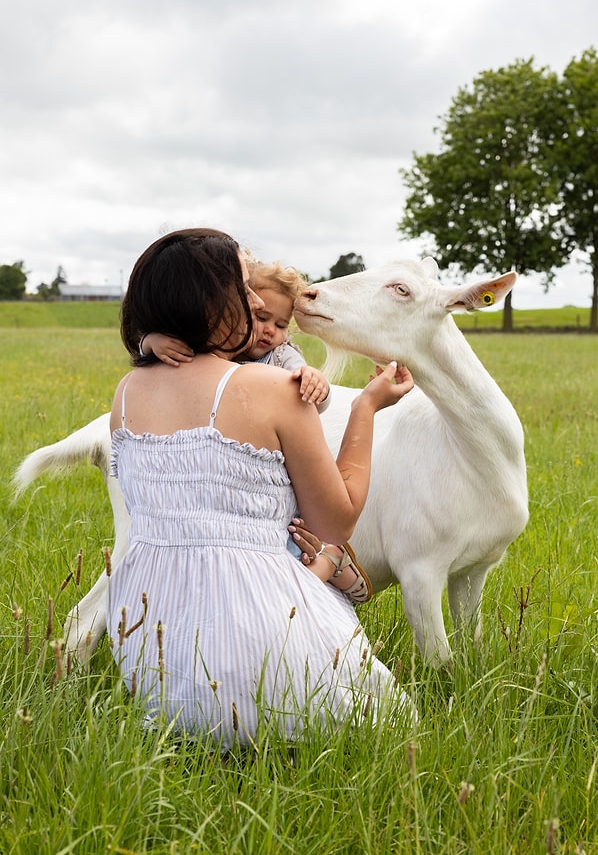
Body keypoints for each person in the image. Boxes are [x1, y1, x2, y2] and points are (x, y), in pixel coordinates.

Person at [108, 227, 414, 748]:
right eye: (242, 286)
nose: (255, 300)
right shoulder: (272, 389)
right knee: (391, 722)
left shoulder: (126, 392)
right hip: (266, 642)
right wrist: (365, 406)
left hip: (158, 658)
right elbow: (335, 522)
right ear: (204, 298)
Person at [139, 258, 372, 603]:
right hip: (229, 473)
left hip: (276, 469)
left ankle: (331, 561)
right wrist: (150, 342)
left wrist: (313, 381)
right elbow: (164, 357)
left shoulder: (281, 356)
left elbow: (312, 395)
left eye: (281, 324)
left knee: (291, 536)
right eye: (261, 318)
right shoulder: (216, 351)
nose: (269, 331)